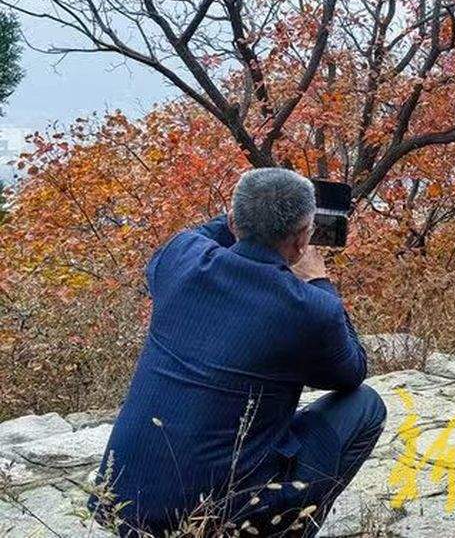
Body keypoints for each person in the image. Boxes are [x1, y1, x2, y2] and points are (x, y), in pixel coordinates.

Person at [89, 168, 386, 537]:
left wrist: (259, 204)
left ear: (232, 220)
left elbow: (208, 231)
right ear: (300, 243)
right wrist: (320, 282)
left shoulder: (179, 258)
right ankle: (285, 530)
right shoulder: (308, 307)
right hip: (221, 518)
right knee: (367, 405)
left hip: (123, 505)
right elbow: (352, 371)